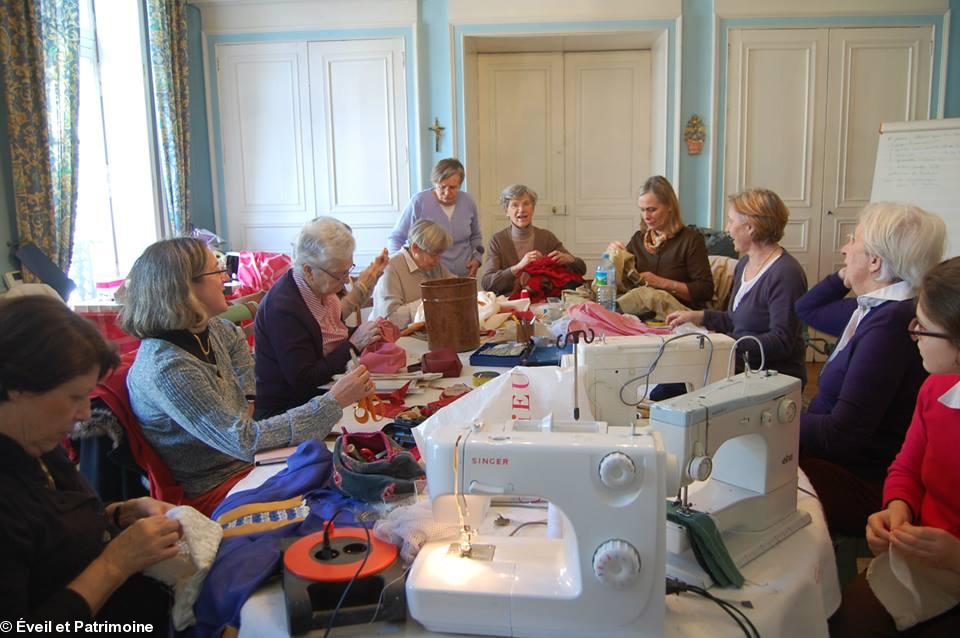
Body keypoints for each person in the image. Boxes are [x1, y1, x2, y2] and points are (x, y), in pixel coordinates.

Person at [123, 237, 372, 501]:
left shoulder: (217, 330)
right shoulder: (168, 369)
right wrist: (333, 401)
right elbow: (243, 441)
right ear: (185, 288)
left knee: (358, 470)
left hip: (256, 464)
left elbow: (250, 400)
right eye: (217, 270)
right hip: (221, 489)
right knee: (352, 493)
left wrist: (253, 412)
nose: (225, 277)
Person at [0, 295, 181, 629]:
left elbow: (55, 528)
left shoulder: (34, 440)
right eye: (74, 397)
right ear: (17, 388)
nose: (85, 413)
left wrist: (118, 514)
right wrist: (115, 564)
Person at [795, 202, 945, 535]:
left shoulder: (890, 325)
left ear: (875, 261)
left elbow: (842, 436)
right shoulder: (873, 309)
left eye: (852, 241)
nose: (843, 248)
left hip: (862, 478)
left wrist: (780, 418)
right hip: (839, 459)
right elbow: (807, 308)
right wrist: (846, 274)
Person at [829, 257, 960, 636]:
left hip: (945, 563)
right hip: (926, 559)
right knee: (847, 621)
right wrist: (897, 508)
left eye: (924, 327)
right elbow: (906, 468)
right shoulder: (935, 389)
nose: (913, 332)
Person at [666, 188, 808, 385]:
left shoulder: (786, 274)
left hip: (771, 377)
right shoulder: (744, 265)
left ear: (751, 227)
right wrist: (696, 316)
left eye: (731, 221)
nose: (727, 229)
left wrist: (723, 342)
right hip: (741, 366)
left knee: (672, 388)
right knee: (667, 384)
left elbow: (781, 342)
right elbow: (736, 320)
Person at [254, 217, 387, 418]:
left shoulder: (319, 291)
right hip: (289, 415)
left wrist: (367, 335)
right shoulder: (284, 309)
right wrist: (353, 344)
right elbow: (305, 379)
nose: (345, 283)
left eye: (347, 271)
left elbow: (328, 338)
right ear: (308, 270)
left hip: (320, 399)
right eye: (339, 275)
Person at [607, 175, 714, 311]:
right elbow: (623, 282)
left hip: (678, 315)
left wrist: (661, 283)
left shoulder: (691, 240)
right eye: (642, 210)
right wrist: (615, 256)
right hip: (641, 313)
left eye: (652, 209)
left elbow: (705, 291)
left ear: (669, 206)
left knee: (644, 296)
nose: (646, 216)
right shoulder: (638, 239)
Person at [480, 184, 586, 296]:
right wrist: (518, 267)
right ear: (506, 211)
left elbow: (582, 269)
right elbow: (487, 283)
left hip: (544, 304)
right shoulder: (498, 240)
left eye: (526, 204)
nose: (521, 210)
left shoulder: (547, 237)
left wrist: (571, 260)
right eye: (515, 205)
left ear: (533, 208)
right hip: (509, 304)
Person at [387, 158, 483, 277]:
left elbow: (476, 236)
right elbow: (396, 238)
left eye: (453, 187)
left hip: (464, 275)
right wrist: (399, 269)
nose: (447, 193)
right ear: (434, 183)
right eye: (442, 187)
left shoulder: (468, 202)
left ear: (460, 185)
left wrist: (477, 259)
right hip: (427, 277)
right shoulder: (419, 202)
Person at [373, 219, 454, 329]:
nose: (438, 260)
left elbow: (454, 291)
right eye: (434, 254)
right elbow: (390, 319)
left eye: (440, 254)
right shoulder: (390, 268)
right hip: (391, 336)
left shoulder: (435, 266)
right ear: (415, 248)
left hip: (424, 332)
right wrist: (430, 303)